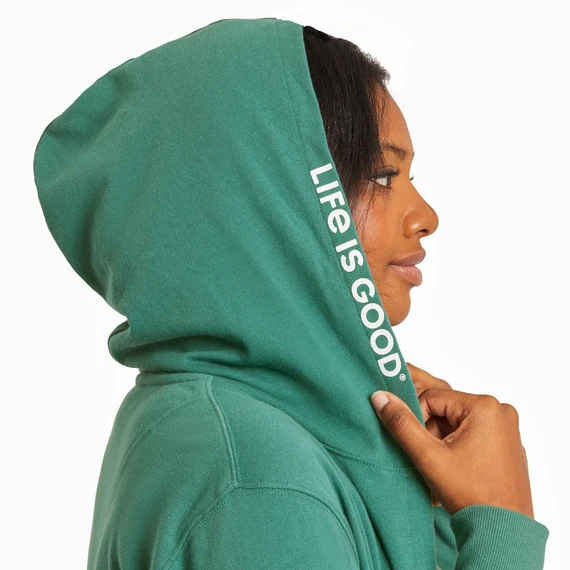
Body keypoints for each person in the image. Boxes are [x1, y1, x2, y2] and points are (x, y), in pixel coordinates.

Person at [33, 17, 549, 569]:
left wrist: (434, 507)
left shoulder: (212, 420)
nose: (426, 216)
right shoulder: (256, 481)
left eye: (409, 179)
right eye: (381, 175)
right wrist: (501, 527)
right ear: (263, 201)